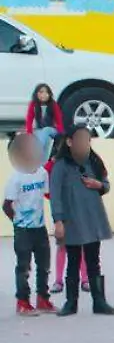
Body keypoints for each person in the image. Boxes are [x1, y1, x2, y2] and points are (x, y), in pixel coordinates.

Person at [50, 125, 114, 317]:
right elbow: (55, 195)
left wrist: (99, 185)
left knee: (94, 261)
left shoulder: (93, 161)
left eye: (87, 140)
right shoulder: (61, 165)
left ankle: (99, 302)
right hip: (71, 220)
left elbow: (106, 184)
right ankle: (71, 303)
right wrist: (58, 221)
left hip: (92, 217)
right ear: (69, 142)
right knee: (73, 261)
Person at [5, 133, 55, 315]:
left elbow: (47, 194)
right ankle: (23, 302)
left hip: (40, 229)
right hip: (23, 230)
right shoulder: (15, 178)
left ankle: (43, 299)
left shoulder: (42, 173)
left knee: (44, 265)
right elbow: (6, 205)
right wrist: (18, 222)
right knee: (24, 267)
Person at [44, 135, 87, 295]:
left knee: (81, 246)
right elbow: (45, 179)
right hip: (62, 211)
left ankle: (85, 279)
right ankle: (58, 280)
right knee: (62, 245)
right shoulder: (54, 165)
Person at [24, 84, 63, 159]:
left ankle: (37, 152)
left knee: (46, 130)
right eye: (41, 92)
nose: (44, 94)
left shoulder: (53, 104)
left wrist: (60, 132)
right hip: (40, 130)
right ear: (36, 94)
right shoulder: (33, 104)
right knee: (41, 135)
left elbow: (59, 120)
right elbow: (29, 120)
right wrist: (29, 133)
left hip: (52, 130)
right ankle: (42, 161)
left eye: (46, 92)